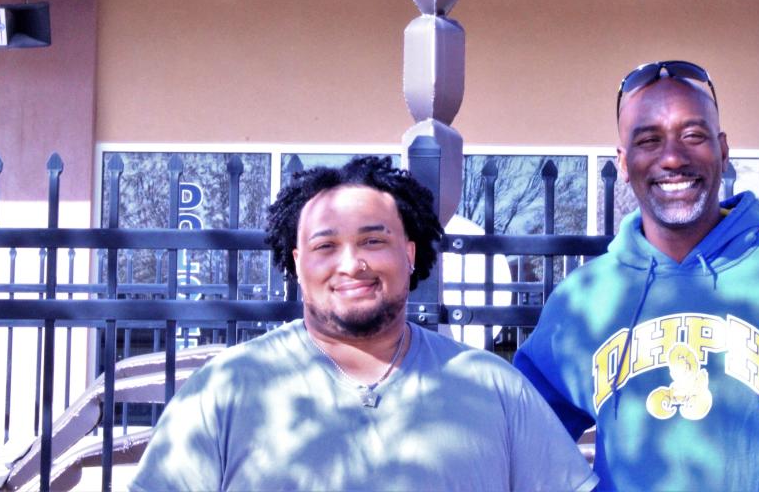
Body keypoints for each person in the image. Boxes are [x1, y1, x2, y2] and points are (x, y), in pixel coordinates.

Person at [513, 61, 759, 491]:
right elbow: (517, 437)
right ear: (623, 161)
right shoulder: (583, 299)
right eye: (648, 140)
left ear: (723, 151)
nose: (672, 157)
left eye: (693, 136)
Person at [130, 156, 596, 492]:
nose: (351, 264)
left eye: (373, 240)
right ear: (297, 262)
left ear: (409, 253)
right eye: (325, 246)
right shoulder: (225, 389)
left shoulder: (492, 388)